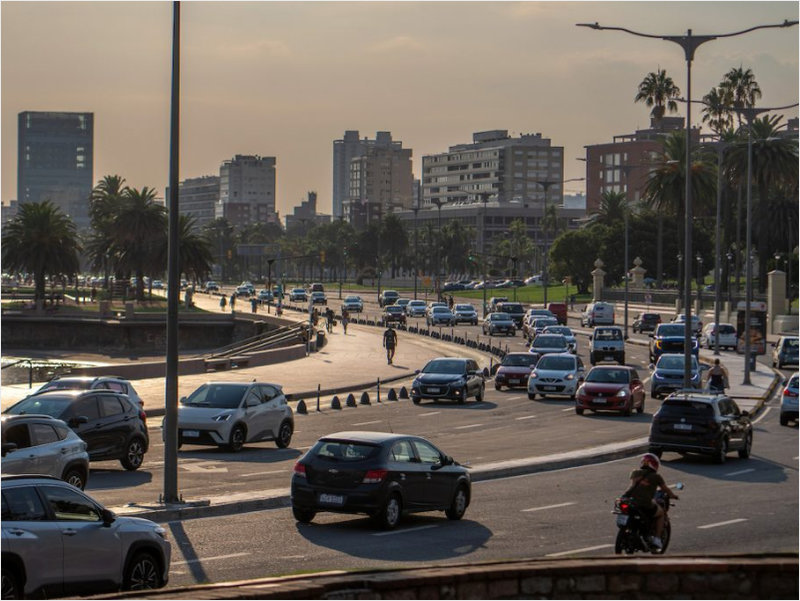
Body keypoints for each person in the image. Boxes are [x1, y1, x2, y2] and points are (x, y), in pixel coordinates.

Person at [625, 453, 679, 550]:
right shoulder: (656, 476)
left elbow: (632, 486)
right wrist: (673, 495)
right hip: (645, 504)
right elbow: (665, 489)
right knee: (661, 513)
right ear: (653, 464)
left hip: (631, 501)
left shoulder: (635, 473)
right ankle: (657, 539)